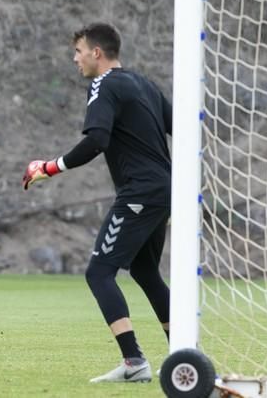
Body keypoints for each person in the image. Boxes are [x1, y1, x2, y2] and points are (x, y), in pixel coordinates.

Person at [22, 23, 172, 383]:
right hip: (163, 191)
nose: (75, 59)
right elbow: (181, 126)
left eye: (78, 51)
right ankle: (185, 354)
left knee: (99, 273)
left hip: (139, 193)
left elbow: (96, 141)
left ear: (96, 53)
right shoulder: (144, 83)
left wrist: (48, 167)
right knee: (145, 272)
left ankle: (134, 362)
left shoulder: (103, 84)